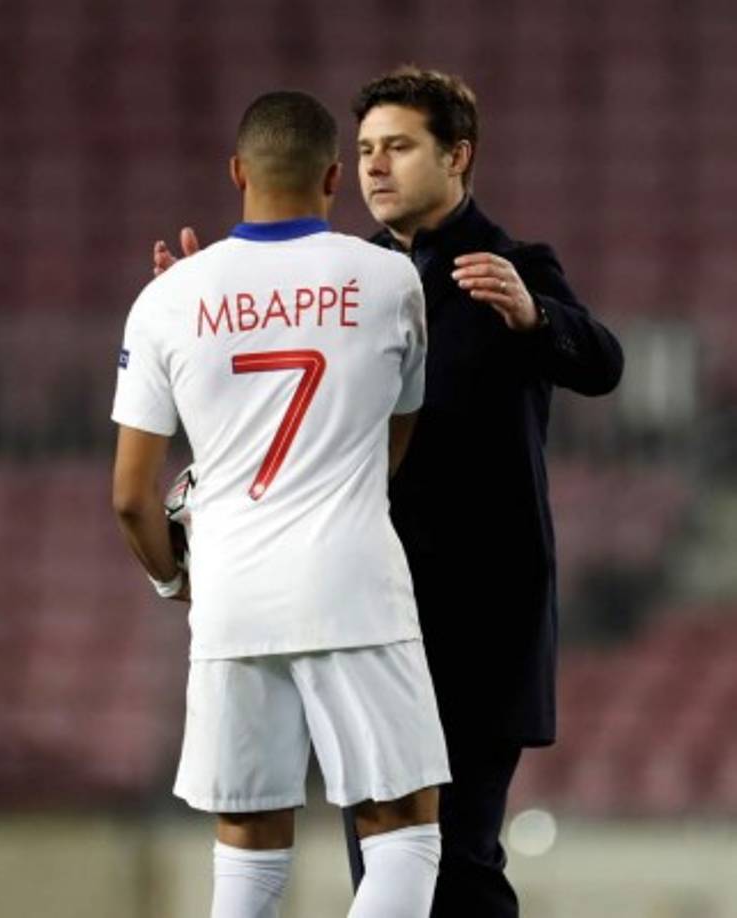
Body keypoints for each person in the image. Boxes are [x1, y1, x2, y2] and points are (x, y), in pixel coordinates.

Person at [154, 67, 624, 917]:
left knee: (456, 863)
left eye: (398, 147)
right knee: (386, 865)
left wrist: (536, 317)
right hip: (360, 608)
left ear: (458, 155)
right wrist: (208, 302)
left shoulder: (510, 268)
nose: (374, 167)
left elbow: (602, 363)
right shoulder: (351, 281)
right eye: (365, 149)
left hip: (475, 617)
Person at [113, 89, 450, 918]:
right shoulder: (389, 277)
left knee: (249, 846)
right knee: (403, 832)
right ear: (336, 176)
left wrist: (172, 579)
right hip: (352, 583)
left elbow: (129, 497)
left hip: (232, 596)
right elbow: (390, 438)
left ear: (235, 173)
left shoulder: (167, 299)